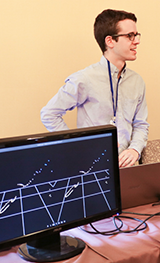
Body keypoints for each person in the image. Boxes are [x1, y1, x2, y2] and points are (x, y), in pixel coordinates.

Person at [41, 9, 149, 168]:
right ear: (110, 41)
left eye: (136, 35)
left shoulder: (137, 81)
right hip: (92, 166)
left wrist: (135, 149)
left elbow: (141, 124)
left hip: (127, 167)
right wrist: (77, 146)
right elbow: (49, 114)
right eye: (129, 36)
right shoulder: (85, 79)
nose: (136, 41)